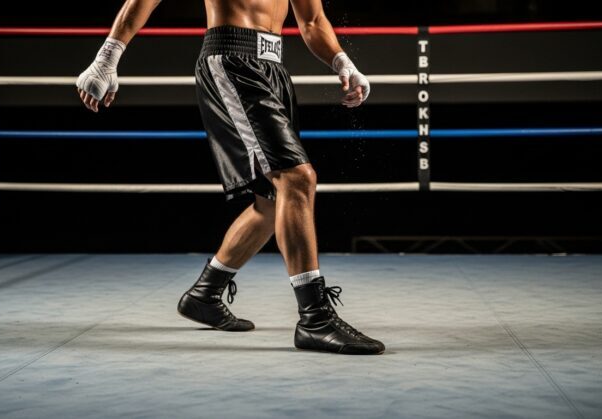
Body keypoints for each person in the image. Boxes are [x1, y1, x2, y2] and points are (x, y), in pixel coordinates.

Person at [77, 0, 384, 355]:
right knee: (297, 179)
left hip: (273, 68)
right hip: (231, 58)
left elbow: (313, 20)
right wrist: (107, 57)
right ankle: (315, 318)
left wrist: (343, 63)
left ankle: (204, 295)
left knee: (273, 201)